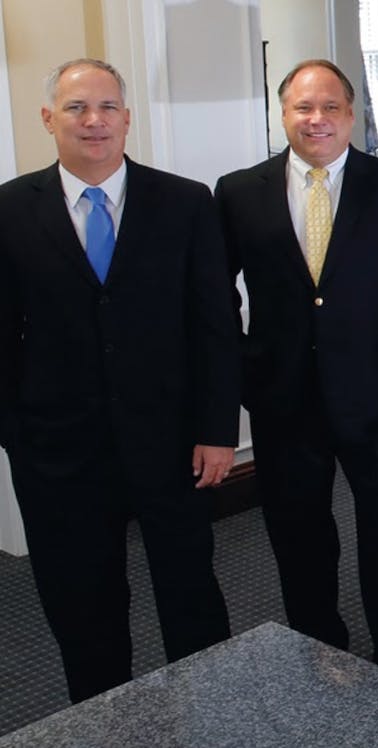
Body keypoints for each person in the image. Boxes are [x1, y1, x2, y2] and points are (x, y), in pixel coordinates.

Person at [214, 59, 378, 677]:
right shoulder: (238, 191)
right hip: (281, 397)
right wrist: (243, 362)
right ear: (283, 115)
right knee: (298, 535)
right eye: (303, 107)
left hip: (370, 391)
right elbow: (212, 293)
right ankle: (315, 649)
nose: (317, 119)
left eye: (330, 107)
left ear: (351, 114)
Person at [0, 58, 236, 701]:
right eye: (76, 108)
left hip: (173, 442)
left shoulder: (186, 202)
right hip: (58, 454)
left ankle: (211, 717)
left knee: (192, 597)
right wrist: (16, 435)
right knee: (84, 613)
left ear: (127, 119)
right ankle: (106, 722)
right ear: (48, 119)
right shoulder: (10, 210)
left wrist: (220, 432)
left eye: (106, 107)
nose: (94, 121)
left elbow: (216, 326)